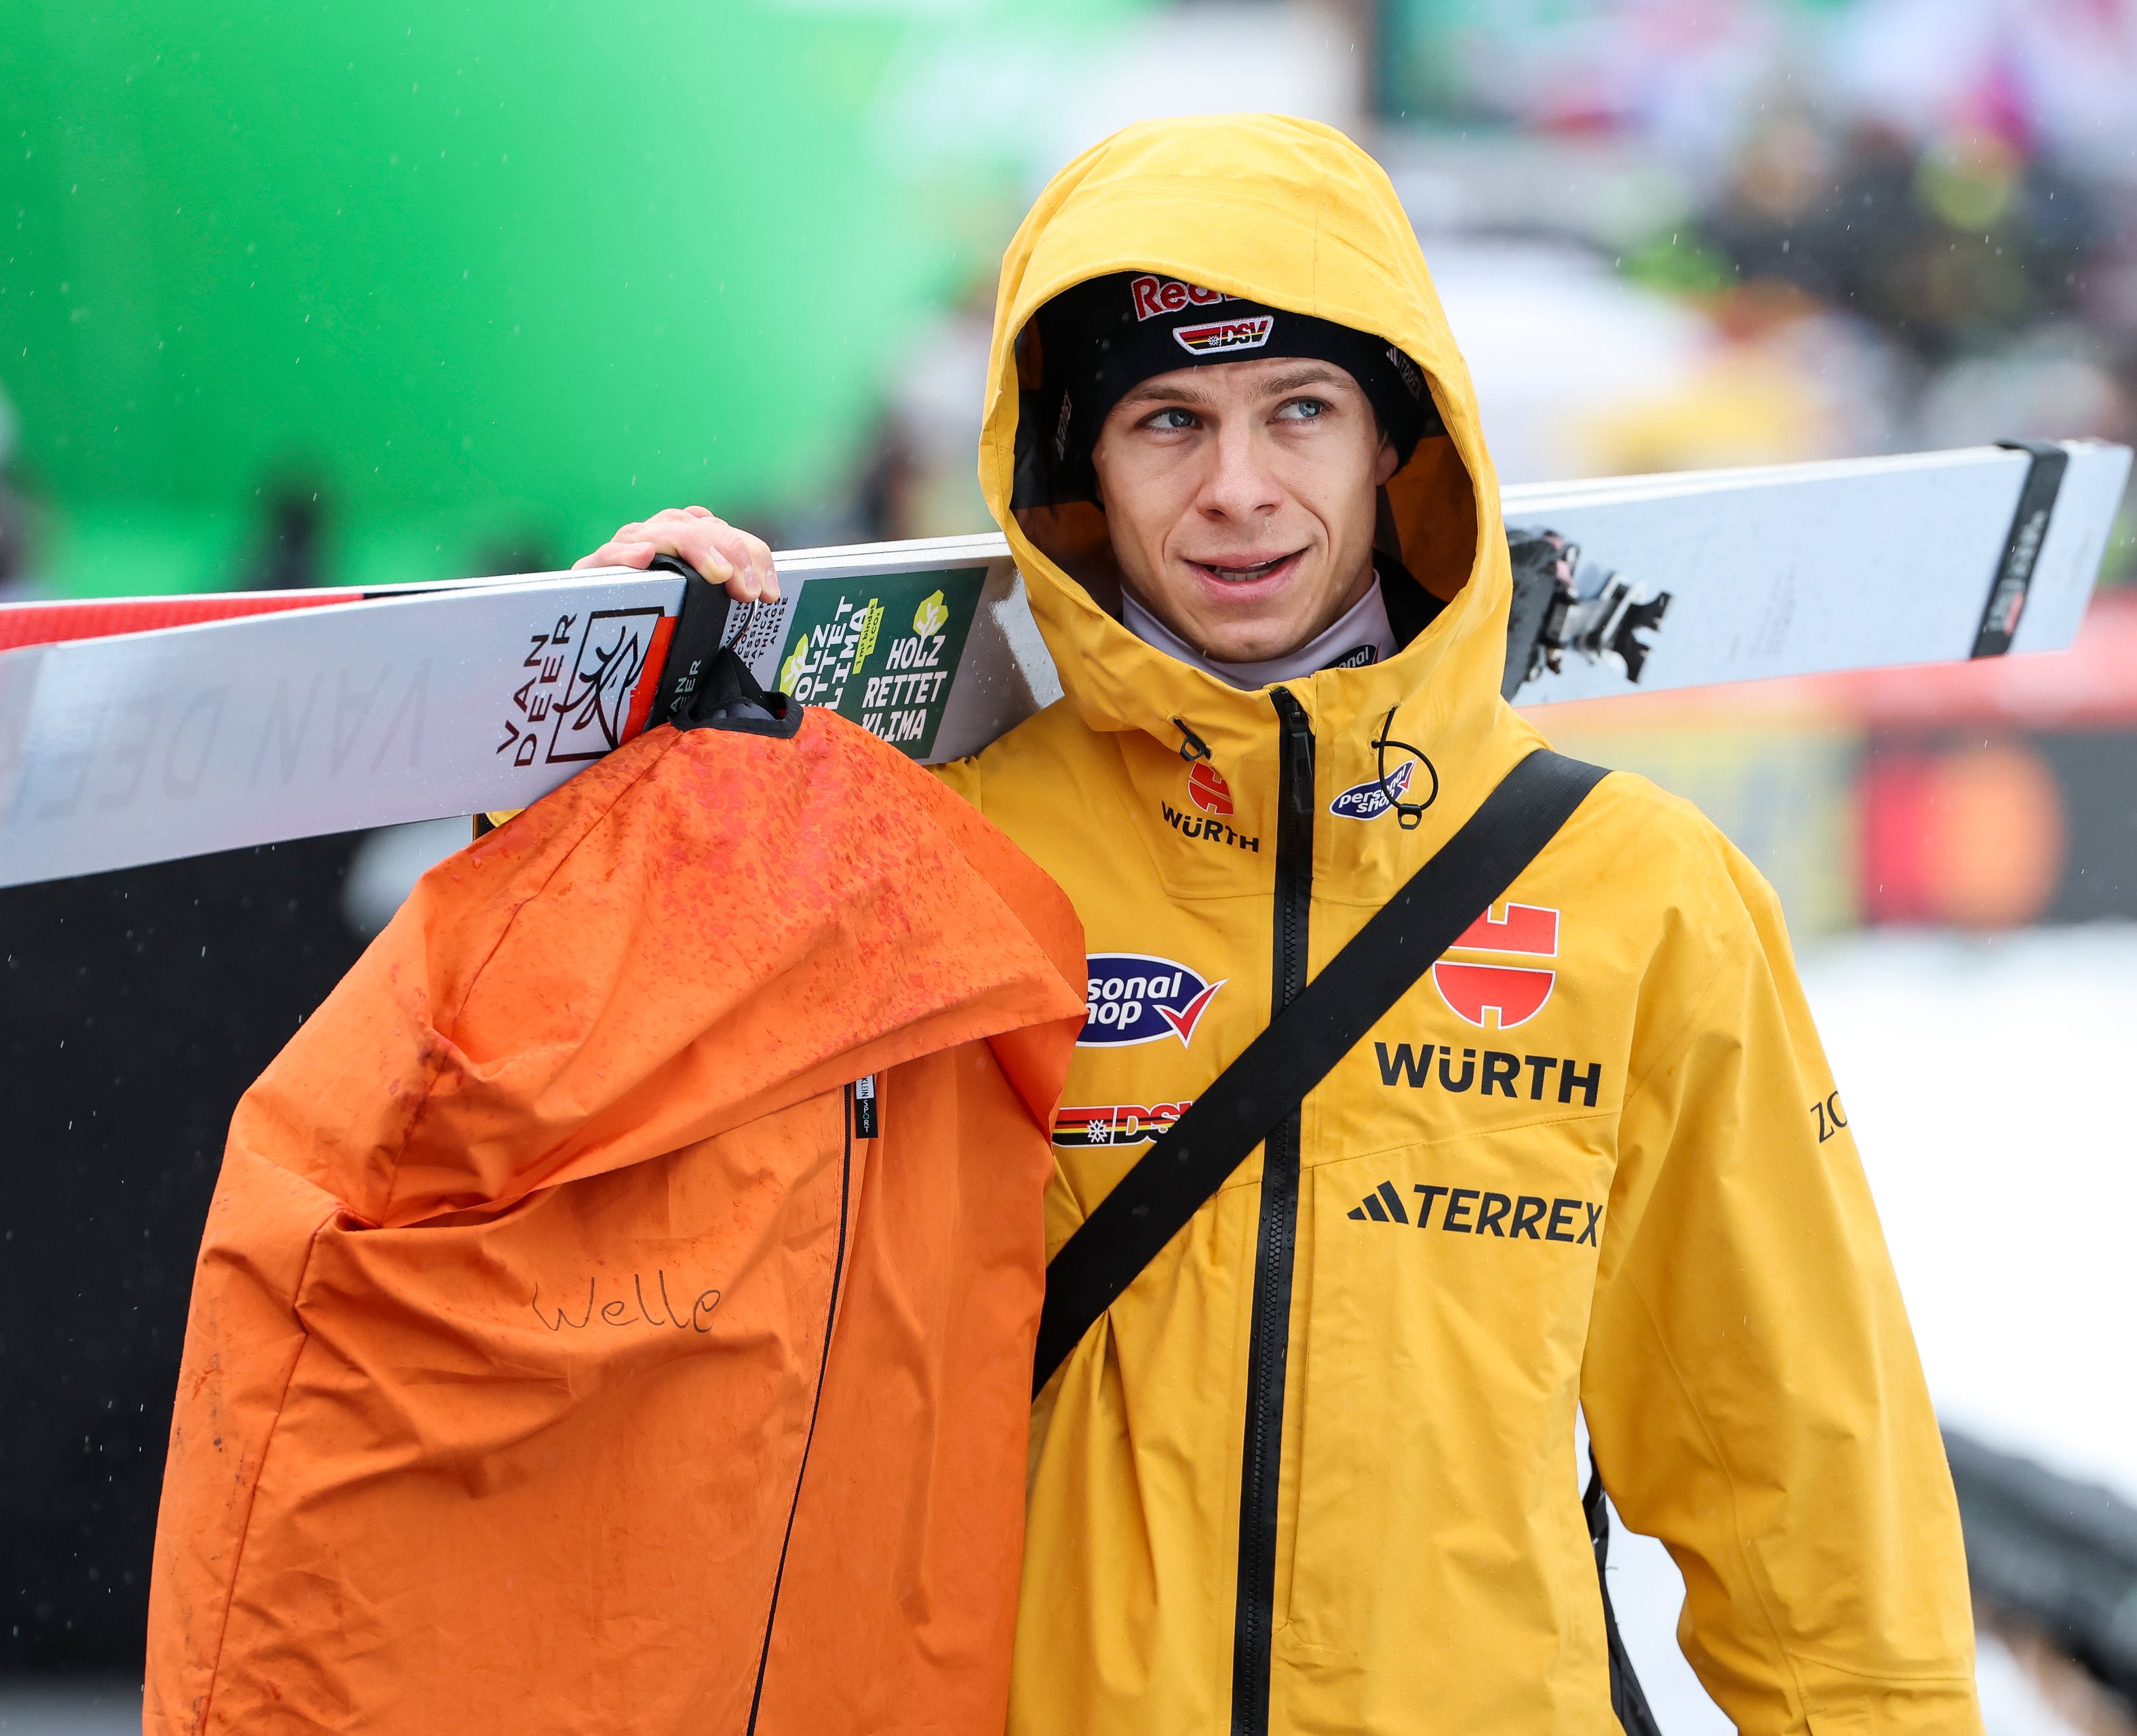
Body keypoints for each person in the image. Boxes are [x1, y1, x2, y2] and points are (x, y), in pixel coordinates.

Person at [576, 115, 1981, 1736]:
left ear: (1396, 441)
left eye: (1296, 410)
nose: (1235, 490)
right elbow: (579, 1123)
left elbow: (1794, 1458)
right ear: (1074, 473)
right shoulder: (935, 856)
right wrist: (615, 762)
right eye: (1165, 421)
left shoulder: (1635, 888)